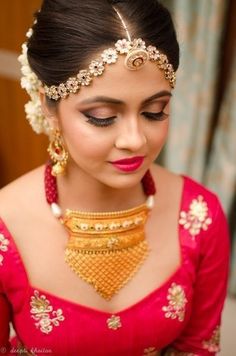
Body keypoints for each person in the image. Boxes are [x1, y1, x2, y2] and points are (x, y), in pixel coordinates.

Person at [0, 0, 230, 355]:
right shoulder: (5, 227)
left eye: (155, 111)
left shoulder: (200, 216)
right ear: (49, 105)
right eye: (103, 116)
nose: (135, 140)